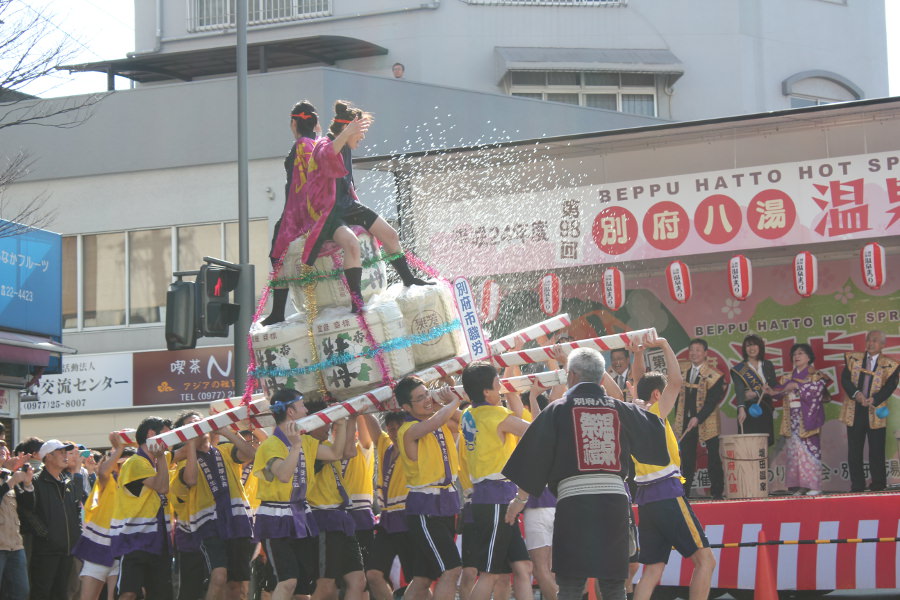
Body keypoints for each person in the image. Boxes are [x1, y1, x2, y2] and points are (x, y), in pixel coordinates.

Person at [503, 347, 669, 600]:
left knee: (570, 584)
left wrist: (519, 500)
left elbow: (534, 458)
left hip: (574, 503)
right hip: (614, 502)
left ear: (570, 376)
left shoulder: (557, 410)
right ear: (602, 378)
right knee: (614, 583)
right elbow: (656, 441)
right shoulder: (620, 408)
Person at [263, 99, 370, 324]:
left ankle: (277, 311)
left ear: (294, 124)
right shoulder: (319, 142)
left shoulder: (303, 144)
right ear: (316, 124)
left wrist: (297, 218)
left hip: (301, 211)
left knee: (278, 255)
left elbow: (301, 184)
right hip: (327, 207)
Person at [628, 334, 715, 600]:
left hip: (645, 501)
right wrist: (665, 344)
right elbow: (676, 382)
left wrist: (639, 355)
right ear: (658, 394)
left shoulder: (632, 413)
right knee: (705, 561)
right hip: (667, 494)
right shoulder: (655, 413)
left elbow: (638, 382)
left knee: (652, 570)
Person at [251, 389, 348, 600]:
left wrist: (340, 426)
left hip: (300, 515)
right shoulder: (269, 445)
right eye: (302, 405)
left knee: (304, 589)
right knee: (287, 581)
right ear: (291, 411)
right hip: (276, 517)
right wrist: (295, 446)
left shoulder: (307, 442)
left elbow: (335, 454)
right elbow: (284, 475)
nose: (306, 409)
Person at [459, 361, 533, 600]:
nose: (501, 387)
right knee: (490, 573)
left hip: (492, 497)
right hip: (496, 499)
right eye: (497, 384)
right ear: (486, 392)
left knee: (522, 567)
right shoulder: (494, 414)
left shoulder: (469, 414)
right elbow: (532, 430)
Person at [395, 376, 462, 600]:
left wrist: (444, 404)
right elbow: (433, 423)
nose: (426, 400)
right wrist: (454, 401)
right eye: (420, 398)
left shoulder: (439, 419)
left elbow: (464, 422)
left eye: (427, 394)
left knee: (423, 579)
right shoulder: (407, 429)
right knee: (452, 569)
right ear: (406, 407)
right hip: (425, 509)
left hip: (445, 504)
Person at [180, 410, 258, 600]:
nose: (197, 426)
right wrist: (190, 444)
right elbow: (190, 480)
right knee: (219, 576)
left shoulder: (224, 450)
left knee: (237, 585)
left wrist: (226, 431)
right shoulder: (182, 462)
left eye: (199, 422)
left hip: (237, 522)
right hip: (209, 526)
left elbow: (251, 454)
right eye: (191, 424)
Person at [304, 403, 366, 600]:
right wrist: (340, 418)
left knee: (358, 581)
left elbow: (349, 452)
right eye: (324, 422)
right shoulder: (306, 446)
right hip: (323, 518)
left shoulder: (326, 446)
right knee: (326, 587)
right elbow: (339, 454)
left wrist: (352, 418)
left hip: (341, 518)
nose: (328, 427)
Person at [110, 416, 173, 600]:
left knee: (159, 594)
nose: (169, 440)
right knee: (129, 593)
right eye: (166, 434)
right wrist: (161, 457)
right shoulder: (135, 462)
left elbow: (181, 452)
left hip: (157, 540)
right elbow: (162, 487)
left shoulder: (156, 460)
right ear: (151, 434)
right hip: (134, 540)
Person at [72, 433, 133, 600]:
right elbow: (103, 471)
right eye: (120, 463)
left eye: (128, 464)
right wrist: (119, 448)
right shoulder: (107, 480)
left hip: (122, 550)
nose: (123, 467)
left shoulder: (139, 483)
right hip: (97, 546)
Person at [839, 330, 899, 492]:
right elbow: (845, 379)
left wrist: (875, 399)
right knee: (854, 450)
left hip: (875, 410)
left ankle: (878, 484)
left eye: (875, 341)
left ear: (883, 345)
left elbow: (890, 385)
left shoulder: (890, 364)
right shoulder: (853, 359)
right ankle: (857, 486)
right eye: (868, 340)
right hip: (855, 409)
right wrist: (857, 394)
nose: (870, 343)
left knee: (877, 449)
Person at [768, 343, 829, 496]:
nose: (797, 357)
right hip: (792, 417)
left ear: (809, 357)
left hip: (807, 416)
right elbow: (779, 392)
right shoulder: (787, 376)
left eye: (801, 353)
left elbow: (817, 391)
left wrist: (796, 386)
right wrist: (771, 392)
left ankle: (814, 485)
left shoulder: (816, 375)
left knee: (810, 450)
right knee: (794, 452)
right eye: (795, 354)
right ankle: (800, 486)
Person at [364, 412, 414, 600]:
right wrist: (361, 399)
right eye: (390, 427)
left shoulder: (415, 444)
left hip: (408, 517)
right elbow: (373, 426)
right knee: (373, 574)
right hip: (387, 519)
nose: (394, 431)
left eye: (398, 426)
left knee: (418, 580)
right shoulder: (386, 445)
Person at [673, 339, 726, 499]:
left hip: (707, 421)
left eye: (698, 350)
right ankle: (684, 493)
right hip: (685, 420)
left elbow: (712, 402)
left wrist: (698, 418)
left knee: (713, 458)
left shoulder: (714, 375)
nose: (694, 353)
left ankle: (717, 493)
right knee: (687, 458)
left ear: (705, 354)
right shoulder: (682, 370)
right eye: (692, 350)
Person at [29, 439, 81, 600]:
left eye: (66, 452)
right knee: (42, 593)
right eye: (61, 452)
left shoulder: (67, 481)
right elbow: (27, 511)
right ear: (48, 457)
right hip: (46, 551)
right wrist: (45, 533)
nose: (66, 456)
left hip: (67, 550)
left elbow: (76, 508)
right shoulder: (36, 481)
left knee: (61, 594)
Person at [731, 334, 778, 446]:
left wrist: (757, 392)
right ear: (744, 349)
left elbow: (772, 385)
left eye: (754, 345)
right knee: (749, 443)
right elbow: (739, 390)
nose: (751, 348)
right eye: (748, 346)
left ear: (760, 347)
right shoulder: (739, 369)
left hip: (765, 407)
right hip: (748, 409)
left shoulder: (767, 365)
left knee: (764, 443)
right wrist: (741, 409)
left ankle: (763, 464)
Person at [0, 453, 34, 600]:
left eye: (4, 449)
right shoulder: (10, 480)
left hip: (15, 545)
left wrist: (27, 484)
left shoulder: (8, 477)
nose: (3, 451)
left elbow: (28, 507)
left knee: (21, 592)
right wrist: (11, 482)